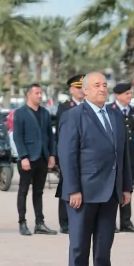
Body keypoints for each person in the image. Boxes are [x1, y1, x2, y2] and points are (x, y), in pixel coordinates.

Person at [57, 72, 132, 266]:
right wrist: (73, 189)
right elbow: (67, 155)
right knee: (79, 241)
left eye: (104, 85)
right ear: (85, 90)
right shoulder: (73, 116)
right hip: (84, 191)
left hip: (110, 190)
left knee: (104, 242)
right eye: (97, 85)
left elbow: (123, 153)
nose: (102, 89)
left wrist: (126, 186)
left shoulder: (115, 115)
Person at [12, 83, 56, 235]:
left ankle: (40, 223)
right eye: (36, 93)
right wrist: (23, 156)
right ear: (28, 95)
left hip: (42, 157)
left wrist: (52, 155)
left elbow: (50, 135)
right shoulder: (20, 113)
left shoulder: (45, 113)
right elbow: (17, 137)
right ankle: (22, 222)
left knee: (38, 192)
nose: (40, 95)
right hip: (28, 158)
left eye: (40, 93)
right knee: (23, 190)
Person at [53, 74, 85, 234]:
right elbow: (61, 134)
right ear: (71, 90)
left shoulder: (89, 106)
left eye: (83, 88)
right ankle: (64, 222)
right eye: (78, 88)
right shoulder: (65, 108)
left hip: (85, 155)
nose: (81, 91)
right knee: (67, 186)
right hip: (69, 153)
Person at [110, 83, 134, 232]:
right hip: (115, 155)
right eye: (127, 93)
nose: (130, 96)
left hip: (129, 155)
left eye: (130, 93)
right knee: (113, 188)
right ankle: (110, 222)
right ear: (117, 95)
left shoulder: (133, 111)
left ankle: (126, 221)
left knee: (128, 187)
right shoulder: (109, 110)